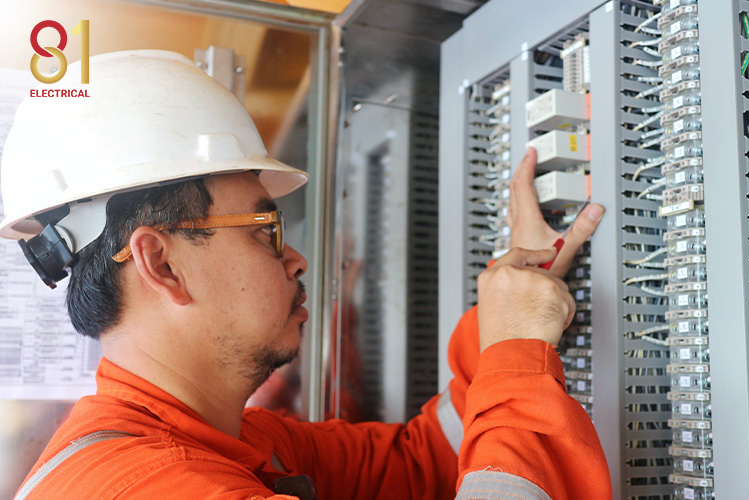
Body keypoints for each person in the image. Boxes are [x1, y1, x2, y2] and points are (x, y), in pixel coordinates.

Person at [2, 50, 611, 500]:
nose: (295, 260)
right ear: (162, 264)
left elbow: (423, 463)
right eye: (264, 229)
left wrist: (508, 324)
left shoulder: (227, 440)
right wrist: (516, 349)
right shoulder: (152, 487)